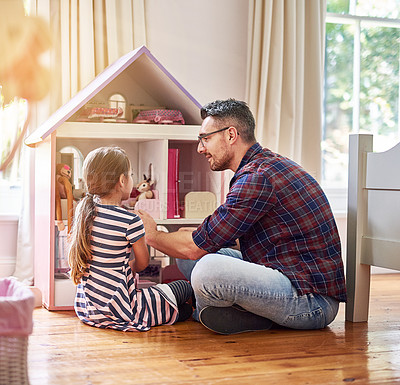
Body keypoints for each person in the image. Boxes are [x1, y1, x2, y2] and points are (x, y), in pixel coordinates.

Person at [138, 98, 347, 335]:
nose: (200, 148)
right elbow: (207, 239)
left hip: (310, 301)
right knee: (190, 256)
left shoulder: (257, 177)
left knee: (207, 269)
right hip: (281, 273)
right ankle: (240, 312)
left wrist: (152, 236)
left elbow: (195, 248)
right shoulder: (259, 168)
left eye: (205, 138)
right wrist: (178, 238)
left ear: (230, 135)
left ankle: (211, 308)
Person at [68, 146, 193, 332]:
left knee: (178, 308)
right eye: (131, 174)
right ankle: (194, 311)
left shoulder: (84, 212)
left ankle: (181, 312)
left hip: (89, 310)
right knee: (184, 289)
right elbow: (142, 264)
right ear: (121, 180)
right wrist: (128, 268)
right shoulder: (130, 220)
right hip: (124, 310)